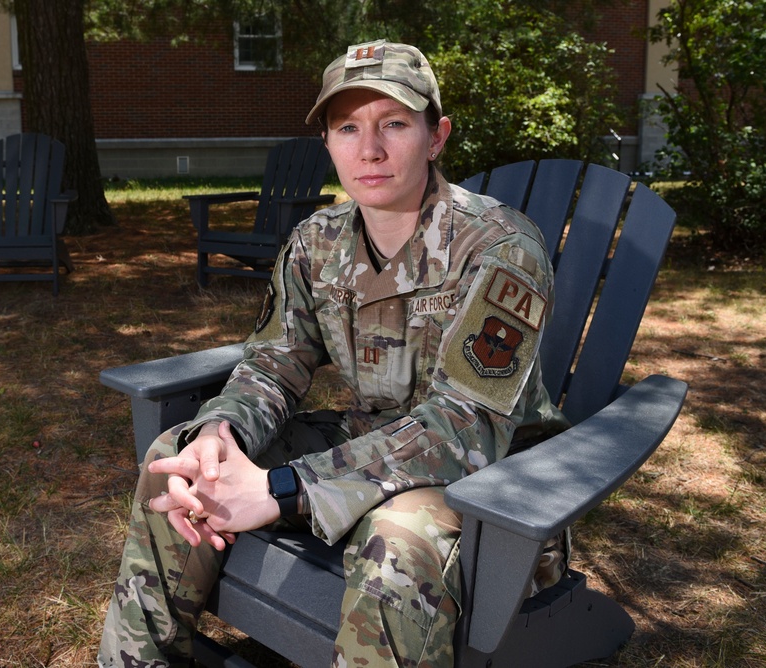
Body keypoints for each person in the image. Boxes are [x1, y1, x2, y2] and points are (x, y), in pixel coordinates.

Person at [98, 39, 571, 667]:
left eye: (394, 123)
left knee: (396, 534)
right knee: (179, 457)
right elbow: (273, 361)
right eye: (347, 127)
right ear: (327, 142)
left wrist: (286, 488)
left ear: (436, 136)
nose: (368, 149)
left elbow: (466, 424)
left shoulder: (502, 247)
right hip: (373, 442)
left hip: (493, 484)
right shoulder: (315, 242)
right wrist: (221, 429)